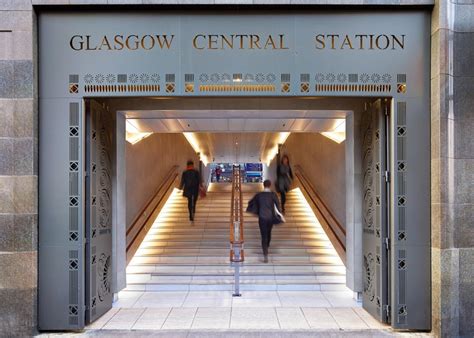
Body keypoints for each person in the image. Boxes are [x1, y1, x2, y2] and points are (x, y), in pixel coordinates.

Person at [247, 179, 282, 263]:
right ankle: (267, 246)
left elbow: (250, 202)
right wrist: (279, 214)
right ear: (270, 185)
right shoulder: (273, 195)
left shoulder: (259, 195)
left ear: (263, 185)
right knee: (269, 232)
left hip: (262, 217)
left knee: (263, 235)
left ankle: (265, 253)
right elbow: (277, 205)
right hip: (270, 217)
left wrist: (256, 211)